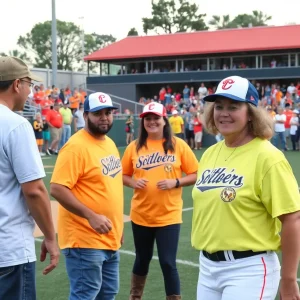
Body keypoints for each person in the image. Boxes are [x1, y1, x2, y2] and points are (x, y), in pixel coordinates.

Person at [191, 75, 300, 300]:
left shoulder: (268, 157)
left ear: (251, 113)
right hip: (208, 268)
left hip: (248, 269)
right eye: (218, 106)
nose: (224, 113)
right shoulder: (211, 153)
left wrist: (288, 279)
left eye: (234, 106)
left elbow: (292, 219)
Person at [50, 92, 124, 300]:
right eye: (98, 113)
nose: (104, 117)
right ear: (85, 116)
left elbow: (111, 188)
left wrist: (119, 226)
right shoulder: (76, 147)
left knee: (108, 293)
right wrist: (91, 216)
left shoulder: (108, 143)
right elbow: (57, 188)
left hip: (109, 235)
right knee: (85, 295)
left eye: (108, 113)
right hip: (84, 238)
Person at [122, 102, 198, 300]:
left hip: (169, 216)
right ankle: (135, 296)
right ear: (143, 122)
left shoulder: (178, 145)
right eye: (148, 118)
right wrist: (134, 182)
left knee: (167, 262)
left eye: (156, 118)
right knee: (142, 259)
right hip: (141, 215)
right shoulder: (134, 147)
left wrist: (176, 182)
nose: (152, 122)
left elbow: (196, 174)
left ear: (165, 120)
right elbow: (123, 175)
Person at [0, 56, 59, 299]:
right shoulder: (15, 124)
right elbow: (34, 190)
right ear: (16, 84)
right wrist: (50, 237)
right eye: (28, 85)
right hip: (9, 247)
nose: (30, 92)